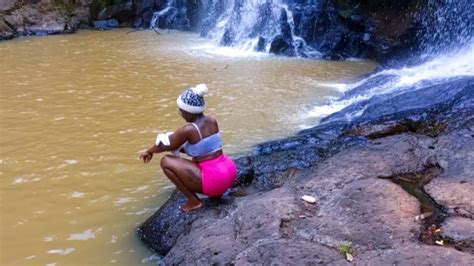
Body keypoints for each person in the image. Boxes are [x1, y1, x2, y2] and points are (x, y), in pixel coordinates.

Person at [139, 84, 237, 212]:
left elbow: (167, 145)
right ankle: (216, 193)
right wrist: (178, 147)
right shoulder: (212, 121)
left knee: (166, 161)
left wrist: (149, 151)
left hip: (215, 179)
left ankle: (193, 201)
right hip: (229, 172)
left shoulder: (189, 129)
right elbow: (201, 148)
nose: (180, 113)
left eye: (182, 110)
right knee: (194, 162)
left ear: (190, 111)